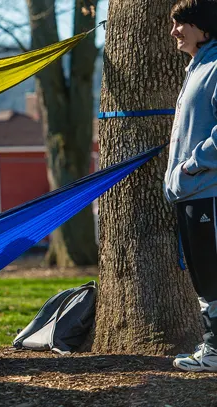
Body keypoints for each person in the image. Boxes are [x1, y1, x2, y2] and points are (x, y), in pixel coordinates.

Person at [165, 0, 217, 372]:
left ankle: (214, 351)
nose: (174, 31)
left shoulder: (215, 67)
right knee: (203, 276)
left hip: (208, 191)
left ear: (204, 27)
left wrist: (193, 165)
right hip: (191, 191)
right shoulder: (196, 68)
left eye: (181, 23)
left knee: (212, 275)